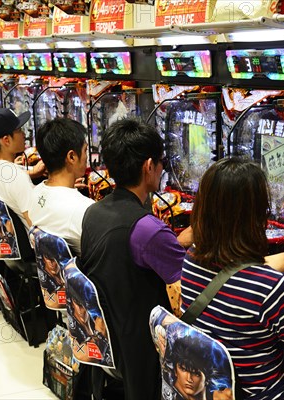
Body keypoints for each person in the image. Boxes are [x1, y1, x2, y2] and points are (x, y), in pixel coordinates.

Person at [181, 158, 284, 399]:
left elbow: (242, 273)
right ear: (256, 215)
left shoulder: (191, 259)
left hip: (212, 389)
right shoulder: (272, 289)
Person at [79, 118, 187, 399]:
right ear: (148, 166)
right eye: (161, 162)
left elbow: (154, 247)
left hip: (107, 335)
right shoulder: (147, 230)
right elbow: (192, 281)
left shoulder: (94, 212)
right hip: (141, 347)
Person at [27, 118, 94, 256]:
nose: (87, 156)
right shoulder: (85, 209)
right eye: (85, 150)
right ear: (71, 157)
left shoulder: (35, 192)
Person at [0, 108, 45, 229]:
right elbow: (35, 225)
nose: (24, 135)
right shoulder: (17, 176)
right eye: (19, 131)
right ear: (6, 140)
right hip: (29, 245)